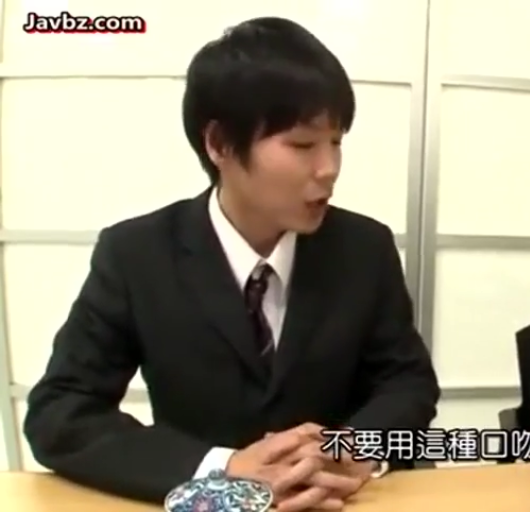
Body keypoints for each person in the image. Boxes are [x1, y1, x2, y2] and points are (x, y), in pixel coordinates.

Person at [23, 16, 440, 511]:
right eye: (303, 145)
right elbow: (61, 411)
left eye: (336, 142)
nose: (329, 168)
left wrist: (353, 449)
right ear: (219, 144)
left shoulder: (363, 248)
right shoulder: (137, 254)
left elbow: (407, 382)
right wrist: (222, 467)